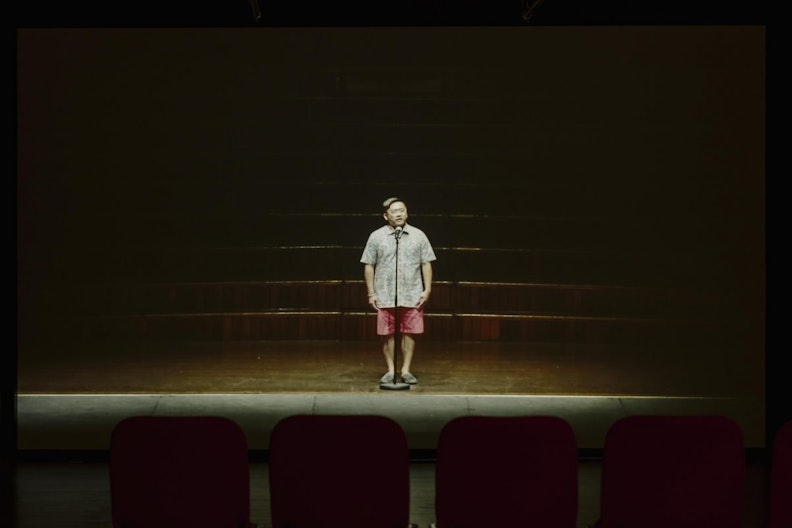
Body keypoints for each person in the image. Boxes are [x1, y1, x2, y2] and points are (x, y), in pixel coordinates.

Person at [360, 197, 436, 385]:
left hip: (412, 293)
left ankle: (406, 370)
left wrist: (427, 290)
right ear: (386, 216)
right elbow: (369, 265)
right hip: (385, 294)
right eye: (394, 211)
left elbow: (426, 263)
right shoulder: (376, 236)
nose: (399, 214)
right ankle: (391, 369)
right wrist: (371, 293)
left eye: (402, 210)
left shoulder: (419, 235)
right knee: (387, 333)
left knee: (409, 332)